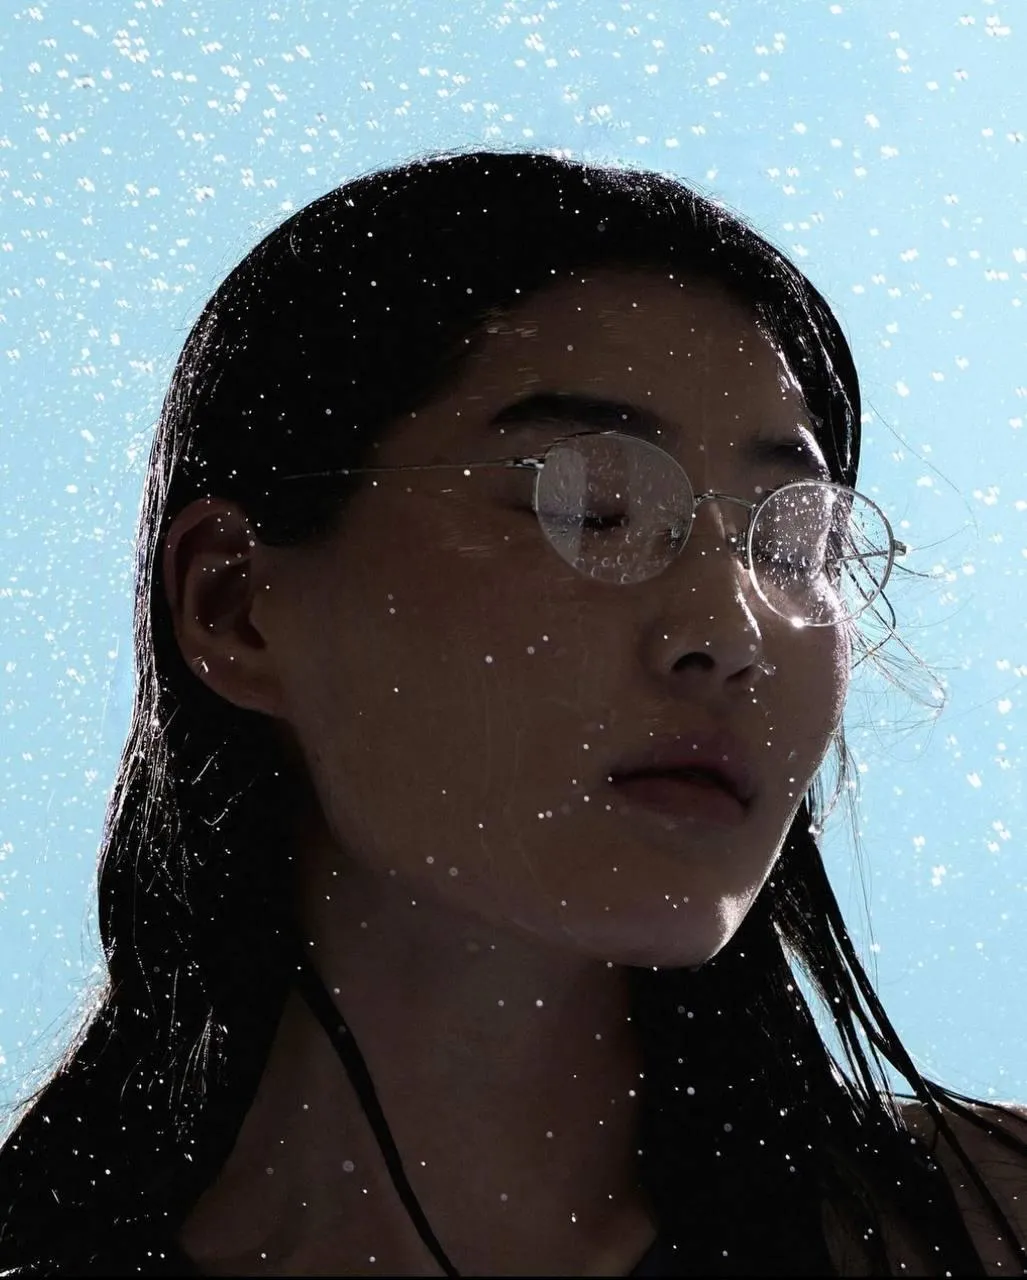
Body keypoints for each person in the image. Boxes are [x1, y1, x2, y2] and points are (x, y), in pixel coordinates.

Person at [1, 147, 1025, 1278]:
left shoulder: (989, 1224)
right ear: (235, 601)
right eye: (591, 505)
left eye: (793, 545)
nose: (730, 633)